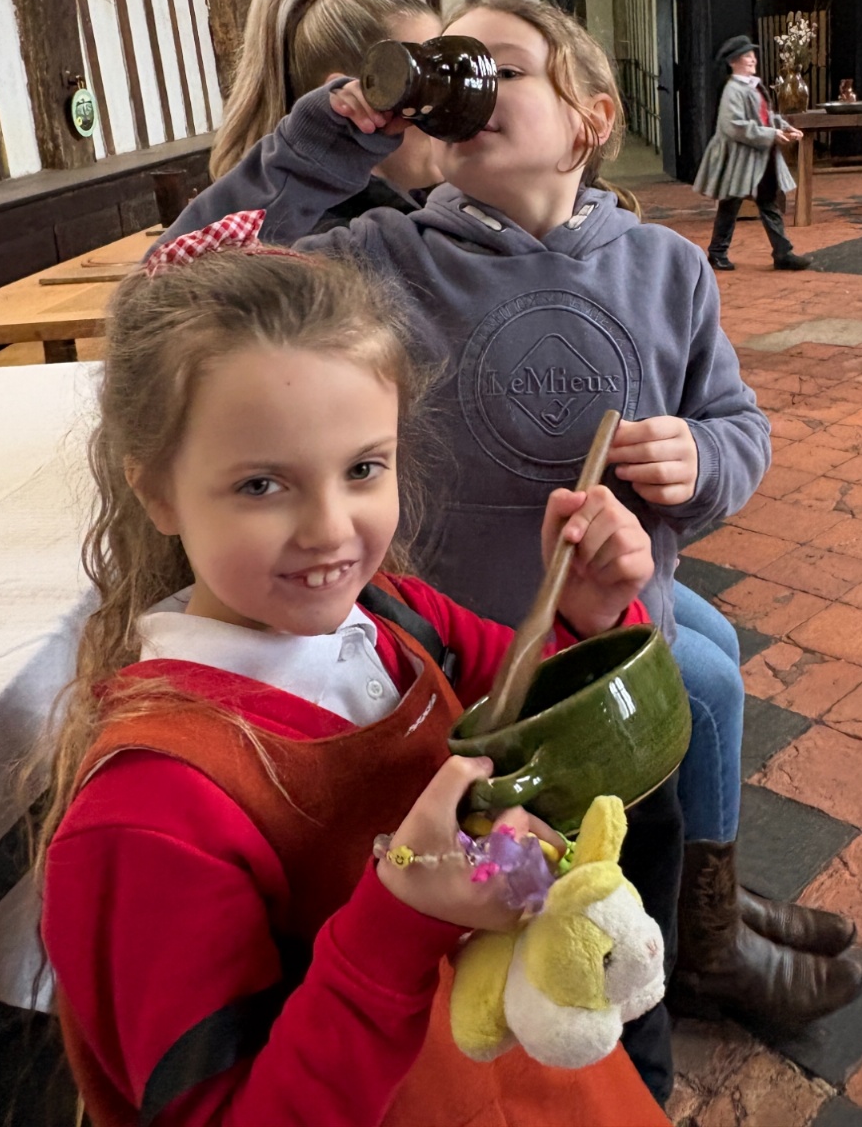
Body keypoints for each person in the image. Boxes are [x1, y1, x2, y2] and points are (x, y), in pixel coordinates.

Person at [160, 0, 862, 1036]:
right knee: (523, 929)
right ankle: (617, 1012)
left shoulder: (667, 267)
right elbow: (179, 292)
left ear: (591, 116)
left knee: (632, 887)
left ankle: (690, 938)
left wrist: (704, 457)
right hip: (467, 680)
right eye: (452, 65)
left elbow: (737, 422)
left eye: (501, 65)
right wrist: (330, 141)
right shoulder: (385, 259)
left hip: (614, 651)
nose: (467, 84)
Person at [39, 232, 670, 1127]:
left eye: (364, 468)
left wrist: (590, 620)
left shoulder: (394, 622)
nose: (331, 529)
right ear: (159, 493)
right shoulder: (149, 817)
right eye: (262, 485)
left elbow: (540, 731)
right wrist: (401, 915)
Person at [210, 0, 444, 226]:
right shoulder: (337, 243)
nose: (446, 105)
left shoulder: (411, 207)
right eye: (421, 84)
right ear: (351, 100)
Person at [694, 36, 810, 273]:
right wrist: (771, 133)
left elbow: (765, 115)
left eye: (752, 55)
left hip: (759, 156)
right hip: (738, 158)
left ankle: (782, 253)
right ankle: (717, 252)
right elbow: (733, 126)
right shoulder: (733, 90)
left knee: (768, 202)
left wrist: (785, 127)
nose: (752, 60)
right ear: (733, 62)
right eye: (746, 56)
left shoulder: (753, 86)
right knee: (730, 204)